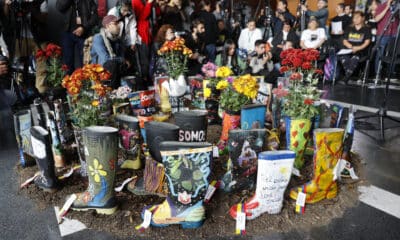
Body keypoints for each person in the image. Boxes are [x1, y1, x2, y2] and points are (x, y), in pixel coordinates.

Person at [4, 0, 49, 94]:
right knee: (19, 66)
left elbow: (44, 18)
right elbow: (6, 17)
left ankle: (41, 92)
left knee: (42, 67)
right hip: (21, 37)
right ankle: (20, 93)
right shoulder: (16, 1)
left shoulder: (41, 1)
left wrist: (31, 8)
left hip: (39, 37)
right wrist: (7, 4)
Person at [56, 0, 98, 74]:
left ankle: (84, 83)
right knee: (67, 63)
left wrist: (84, 28)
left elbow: (95, 17)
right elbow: (59, 7)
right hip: (67, 33)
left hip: (84, 33)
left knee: (85, 62)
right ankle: (69, 83)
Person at [91, 15, 125, 88]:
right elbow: (105, 59)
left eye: (118, 23)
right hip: (100, 70)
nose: (118, 26)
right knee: (112, 64)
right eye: (115, 23)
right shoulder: (98, 38)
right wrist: (122, 60)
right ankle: (110, 90)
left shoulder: (117, 40)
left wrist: (124, 61)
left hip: (114, 68)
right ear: (107, 26)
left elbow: (122, 57)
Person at [338, 11, 371, 85]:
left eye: (357, 17)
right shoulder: (349, 28)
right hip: (349, 49)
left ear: (362, 18)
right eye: (354, 18)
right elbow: (344, 41)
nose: (355, 19)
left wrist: (358, 48)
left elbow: (367, 42)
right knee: (343, 58)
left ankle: (346, 78)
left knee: (354, 59)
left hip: (360, 50)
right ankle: (348, 75)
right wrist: (351, 47)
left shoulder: (366, 29)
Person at [374, 0, 398, 75]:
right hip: (382, 33)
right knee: (380, 53)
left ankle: (390, 74)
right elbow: (376, 19)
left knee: (393, 54)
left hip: (394, 34)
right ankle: (378, 73)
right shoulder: (381, 6)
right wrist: (387, 7)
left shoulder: (397, 6)